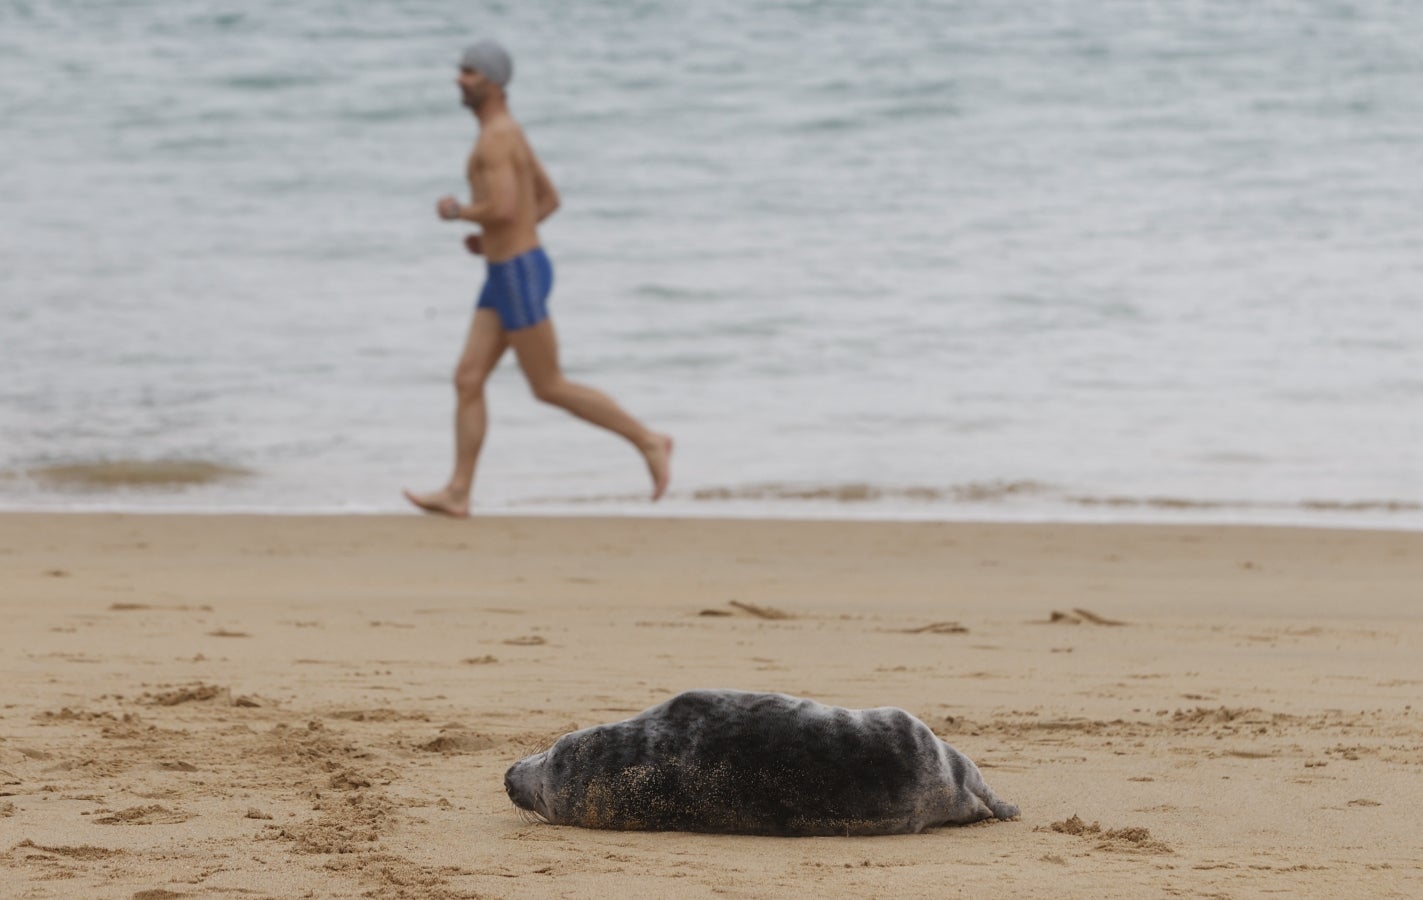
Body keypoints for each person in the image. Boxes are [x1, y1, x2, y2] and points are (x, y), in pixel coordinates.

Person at [404, 40, 673, 518]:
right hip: (507, 269)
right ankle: (459, 491)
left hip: (518, 273)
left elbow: (506, 208)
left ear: (492, 81)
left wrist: (460, 212)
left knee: (548, 385)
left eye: (468, 72)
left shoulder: (495, 139)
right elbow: (547, 200)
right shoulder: (509, 133)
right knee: (468, 379)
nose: (458, 80)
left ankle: (649, 440)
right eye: (460, 71)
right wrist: (491, 242)